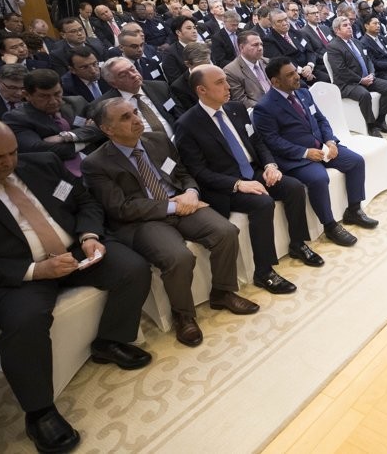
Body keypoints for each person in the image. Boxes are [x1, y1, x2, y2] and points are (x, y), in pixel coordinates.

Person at [0, 119, 152, 453]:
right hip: (17, 275)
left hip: (75, 250)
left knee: (133, 268)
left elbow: (85, 202)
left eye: (12, 153)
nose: (8, 163)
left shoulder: (41, 163)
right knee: (24, 323)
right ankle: (39, 411)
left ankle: (110, 340)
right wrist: (35, 271)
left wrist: (89, 235)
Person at [84, 98, 259, 347]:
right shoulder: (96, 163)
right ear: (107, 130)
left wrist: (191, 193)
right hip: (143, 220)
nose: (136, 119)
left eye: (135, 112)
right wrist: (175, 205)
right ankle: (183, 316)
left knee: (226, 231)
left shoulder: (157, 140)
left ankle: (222, 292)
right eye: (125, 117)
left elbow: (183, 173)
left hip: (182, 203)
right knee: (178, 257)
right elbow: (120, 208)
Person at [175, 65, 316, 281]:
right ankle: (264, 271)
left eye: (226, 80)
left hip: (254, 171)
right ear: (201, 90)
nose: (227, 86)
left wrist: (270, 165)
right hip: (226, 185)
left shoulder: (236, 108)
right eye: (220, 82)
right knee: (262, 203)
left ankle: (297, 243)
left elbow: (257, 142)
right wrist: (238, 184)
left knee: (294, 187)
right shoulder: (187, 124)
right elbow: (199, 172)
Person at [252, 57, 377, 247]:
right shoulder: (264, 107)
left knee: (356, 161)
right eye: (290, 75)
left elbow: (321, 120)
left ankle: (353, 210)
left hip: (322, 147)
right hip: (297, 157)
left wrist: (330, 141)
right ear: (275, 82)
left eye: (295, 71)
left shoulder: (303, 93)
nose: (297, 76)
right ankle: (330, 226)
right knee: (319, 179)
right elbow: (273, 142)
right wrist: (305, 153)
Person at [2, 68, 104, 176]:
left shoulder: (77, 102)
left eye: (57, 93)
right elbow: (39, 150)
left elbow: (106, 125)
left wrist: (67, 136)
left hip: (99, 164)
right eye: (44, 96)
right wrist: (87, 139)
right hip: (58, 174)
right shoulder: (15, 118)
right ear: (26, 95)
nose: (53, 101)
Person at [326, 16, 387, 137]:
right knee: (364, 94)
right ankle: (371, 125)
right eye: (345, 25)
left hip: (366, 78)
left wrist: (372, 74)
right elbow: (340, 70)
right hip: (347, 83)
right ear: (337, 30)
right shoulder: (334, 46)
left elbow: (368, 60)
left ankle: (380, 120)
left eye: (349, 24)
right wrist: (360, 80)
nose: (349, 27)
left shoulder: (357, 42)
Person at [225, 30, 271, 109]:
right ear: (241, 48)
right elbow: (241, 100)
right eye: (255, 45)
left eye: (261, 44)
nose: (260, 48)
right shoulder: (231, 71)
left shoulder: (267, 62)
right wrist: (267, 108)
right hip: (259, 111)